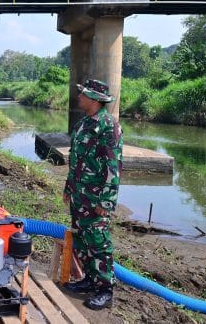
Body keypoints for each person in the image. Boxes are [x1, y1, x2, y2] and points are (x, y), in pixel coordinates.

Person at [62, 79, 123, 311]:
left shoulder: (109, 126)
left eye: (83, 94)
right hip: (79, 195)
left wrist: (106, 202)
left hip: (96, 199)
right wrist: (69, 187)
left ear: (95, 99)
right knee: (81, 238)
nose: (79, 97)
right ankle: (89, 279)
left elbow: (113, 167)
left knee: (99, 243)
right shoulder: (84, 123)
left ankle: (105, 290)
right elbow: (76, 159)